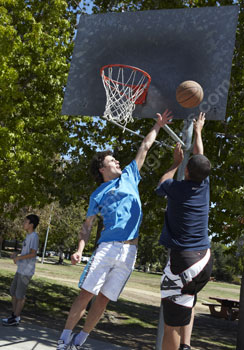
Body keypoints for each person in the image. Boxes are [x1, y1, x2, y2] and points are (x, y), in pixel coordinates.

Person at [57, 109, 173, 350]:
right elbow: (87, 227)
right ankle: (64, 338)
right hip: (107, 247)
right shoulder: (97, 194)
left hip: (129, 253)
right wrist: (80, 249)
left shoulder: (130, 175)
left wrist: (158, 126)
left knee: (104, 299)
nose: (117, 161)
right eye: (112, 160)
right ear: (102, 168)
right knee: (86, 294)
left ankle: (81, 340)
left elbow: (144, 148)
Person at [156, 112, 213, 350]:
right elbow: (200, 156)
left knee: (169, 324)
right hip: (205, 260)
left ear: (187, 171)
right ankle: (187, 346)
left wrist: (175, 163)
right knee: (187, 300)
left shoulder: (175, 188)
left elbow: (161, 185)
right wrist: (198, 131)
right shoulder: (204, 185)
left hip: (185, 262)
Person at [1, 214, 40, 327]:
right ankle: (14, 315)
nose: (23, 223)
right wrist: (17, 254)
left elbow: (33, 253)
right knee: (13, 291)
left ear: (31, 225)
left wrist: (18, 258)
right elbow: (26, 252)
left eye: (25, 222)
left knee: (20, 295)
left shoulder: (34, 236)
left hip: (26, 271)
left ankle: (16, 318)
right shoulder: (28, 236)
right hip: (21, 269)